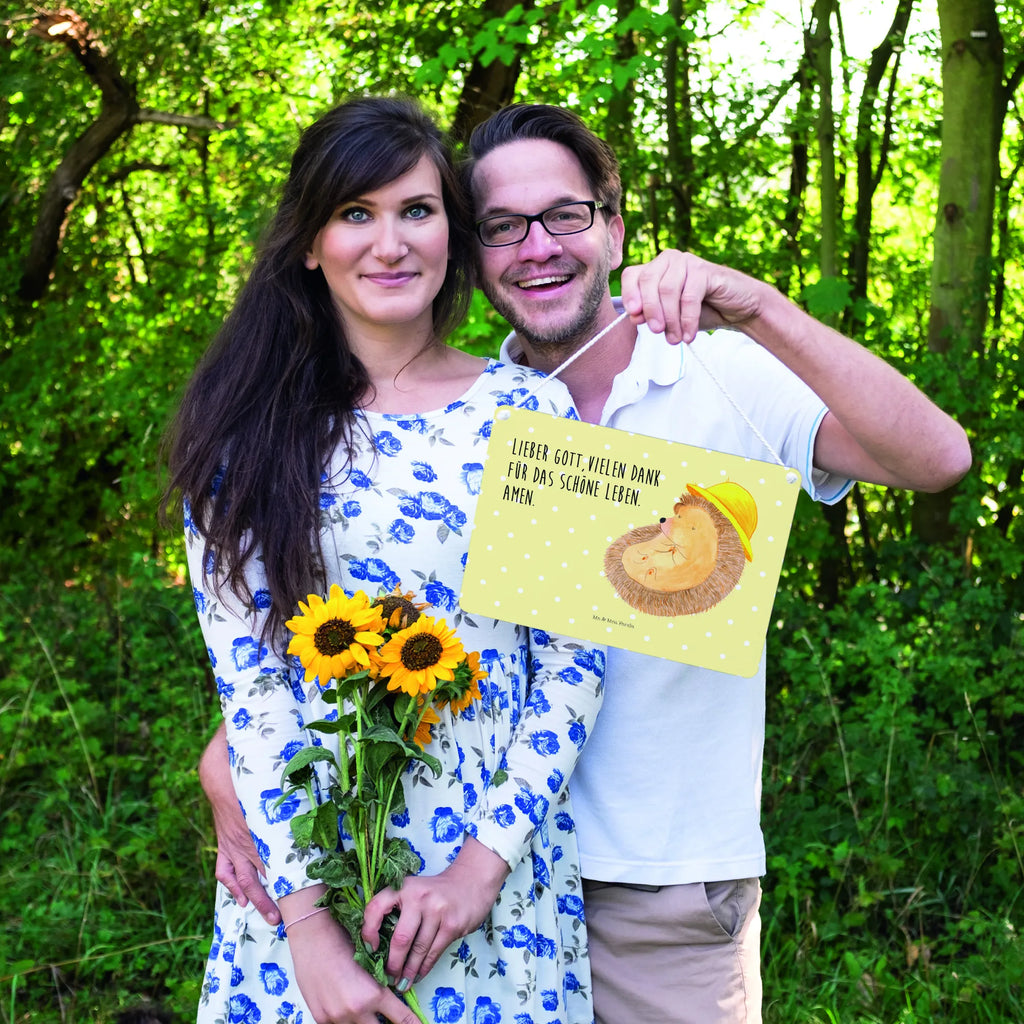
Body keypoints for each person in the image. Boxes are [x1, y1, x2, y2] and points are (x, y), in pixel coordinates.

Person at [201, 102, 972, 1024]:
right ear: (474, 251)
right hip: (422, 876)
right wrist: (235, 770)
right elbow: (330, 635)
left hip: (651, 887)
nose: (537, 247)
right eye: (502, 227)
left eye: (564, 215)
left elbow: (938, 461)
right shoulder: (467, 415)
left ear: (612, 225)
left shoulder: (709, 372)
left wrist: (760, 306)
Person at [164, 96, 613, 1024]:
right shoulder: (241, 437)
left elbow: (575, 663)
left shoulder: (535, 411)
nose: (390, 242)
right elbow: (250, 692)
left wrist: (477, 874)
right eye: (355, 214)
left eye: (417, 210)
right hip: (304, 884)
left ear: (452, 229)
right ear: (308, 243)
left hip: (493, 887)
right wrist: (312, 936)